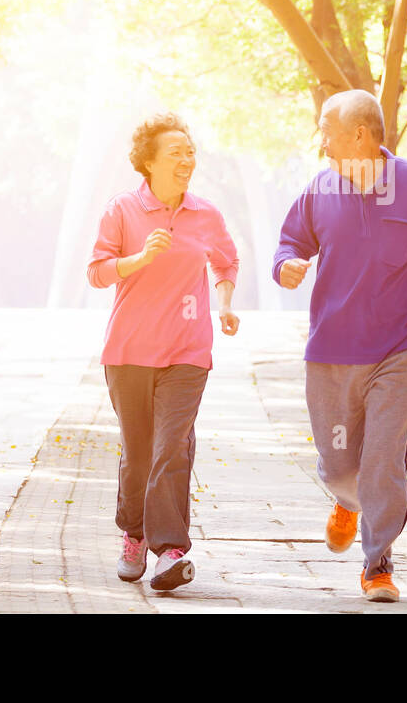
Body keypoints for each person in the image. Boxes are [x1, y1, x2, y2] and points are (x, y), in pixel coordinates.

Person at [272, 89, 407, 602]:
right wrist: (287, 265)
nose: (321, 141)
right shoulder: (320, 189)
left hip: (400, 347)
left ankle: (378, 562)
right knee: (340, 463)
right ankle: (347, 498)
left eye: (326, 129)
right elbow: (290, 242)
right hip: (331, 350)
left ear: (358, 134)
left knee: (382, 459)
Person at [87, 112, 239, 591]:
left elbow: (227, 260)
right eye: (175, 152)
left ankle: (170, 551)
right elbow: (97, 271)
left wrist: (226, 303)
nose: (186, 160)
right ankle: (133, 534)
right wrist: (140, 258)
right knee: (139, 453)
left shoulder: (205, 214)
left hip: (188, 351)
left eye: (190, 152)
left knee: (172, 447)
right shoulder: (122, 210)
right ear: (148, 162)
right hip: (129, 351)